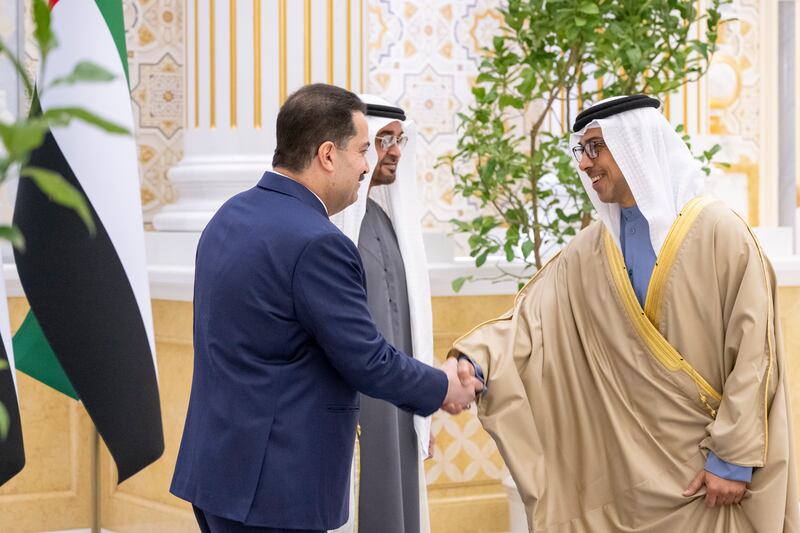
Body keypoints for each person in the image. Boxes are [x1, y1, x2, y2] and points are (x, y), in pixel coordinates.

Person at [452, 95, 798, 532]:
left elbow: (755, 352)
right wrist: (470, 363)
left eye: (596, 147)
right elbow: (527, 324)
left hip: (709, 480)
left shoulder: (719, 232)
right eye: (581, 150)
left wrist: (732, 457)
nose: (584, 164)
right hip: (629, 482)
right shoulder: (593, 249)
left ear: (635, 144)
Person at [170, 83, 481, 533]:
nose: (366, 164)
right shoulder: (318, 242)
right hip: (275, 488)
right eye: (361, 150)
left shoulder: (228, 217)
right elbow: (368, 360)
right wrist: (443, 385)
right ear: (328, 154)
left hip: (218, 473)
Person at [331, 96, 433, 533]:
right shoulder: (331, 228)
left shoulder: (384, 221)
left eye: (399, 140)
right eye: (382, 139)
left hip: (398, 403)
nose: (393, 151)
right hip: (351, 412)